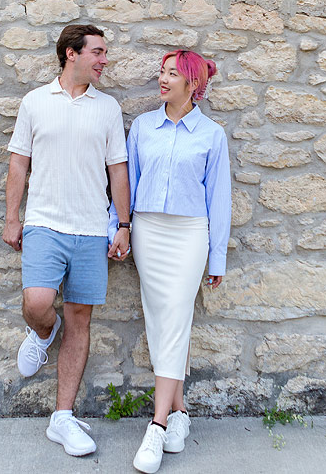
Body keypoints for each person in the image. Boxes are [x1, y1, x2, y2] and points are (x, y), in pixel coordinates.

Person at [3, 23, 133, 458]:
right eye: (97, 51)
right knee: (38, 303)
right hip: (44, 224)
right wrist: (11, 218)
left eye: (104, 53)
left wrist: (123, 224)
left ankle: (62, 417)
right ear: (70, 53)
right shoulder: (35, 102)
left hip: (92, 229)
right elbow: (19, 165)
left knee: (80, 320)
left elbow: (118, 170)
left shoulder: (108, 108)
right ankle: (43, 332)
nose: (104, 60)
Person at [112, 49, 231, 474]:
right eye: (162, 73)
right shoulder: (143, 127)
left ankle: (157, 425)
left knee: (177, 317)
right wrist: (119, 227)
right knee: (159, 322)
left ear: (193, 84)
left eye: (172, 74)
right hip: (148, 231)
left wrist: (216, 255)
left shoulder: (212, 135)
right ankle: (180, 411)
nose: (162, 80)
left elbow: (219, 199)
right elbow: (129, 182)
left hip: (188, 236)